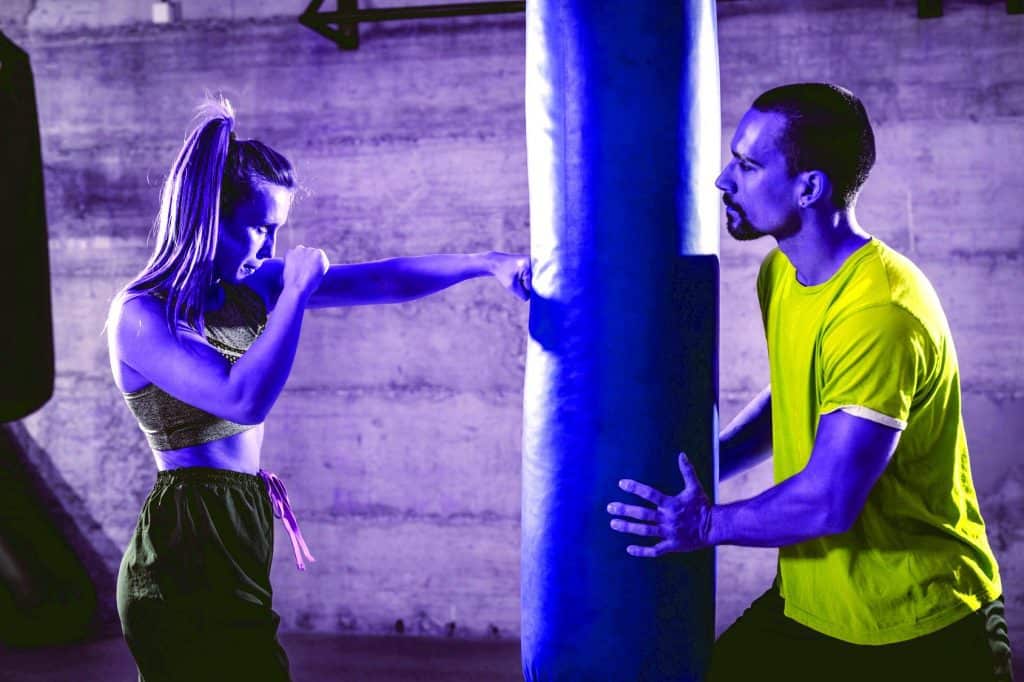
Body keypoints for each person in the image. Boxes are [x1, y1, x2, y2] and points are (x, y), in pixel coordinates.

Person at [106, 97, 531, 681]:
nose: (270, 249)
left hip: (240, 517)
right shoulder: (140, 315)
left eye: (277, 231)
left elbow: (384, 278)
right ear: (209, 217)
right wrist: (298, 293)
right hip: (186, 533)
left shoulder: (250, 288)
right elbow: (242, 399)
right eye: (259, 228)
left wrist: (485, 263)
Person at [606, 83, 1013, 681]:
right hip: (811, 606)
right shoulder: (782, 274)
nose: (723, 180)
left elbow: (829, 499)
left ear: (809, 187)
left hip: (921, 623)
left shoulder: (880, 311)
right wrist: (706, 458)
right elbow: (801, 398)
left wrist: (706, 525)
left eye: (747, 165)